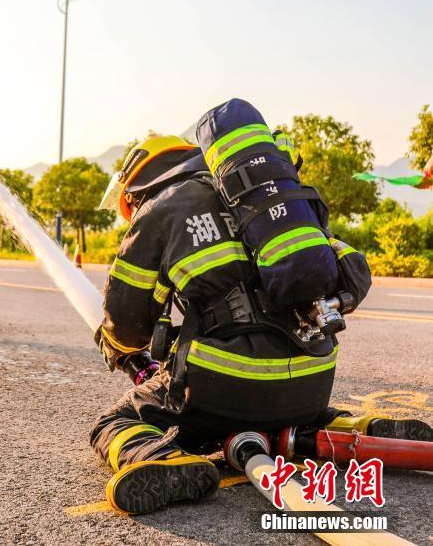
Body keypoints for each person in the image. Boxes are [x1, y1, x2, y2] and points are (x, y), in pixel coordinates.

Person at [89, 127, 433, 515]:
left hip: (220, 393)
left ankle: (160, 460)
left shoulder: (161, 208)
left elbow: (127, 323)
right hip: (311, 383)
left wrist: (119, 350)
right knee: (287, 413)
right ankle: (356, 427)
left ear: (136, 185)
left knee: (116, 421)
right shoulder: (269, 199)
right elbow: (350, 271)